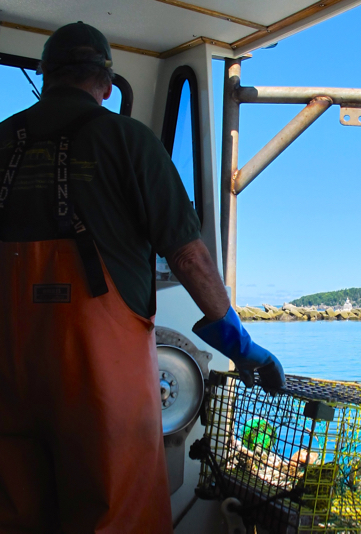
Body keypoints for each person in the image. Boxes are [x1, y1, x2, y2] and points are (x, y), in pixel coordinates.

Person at [0, 21, 284, 533]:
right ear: (106, 84)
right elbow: (190, 258)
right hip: (97, 385)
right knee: (115, 516)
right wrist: (240, 344)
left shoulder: (2, 140)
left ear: (45, 75)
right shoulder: (128, 141)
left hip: (7, 377)